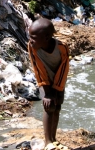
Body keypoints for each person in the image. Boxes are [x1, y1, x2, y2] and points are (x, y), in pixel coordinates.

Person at [28, 18, 70, 150]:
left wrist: (57, 89)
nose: (30, 40)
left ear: (46, 37)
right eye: (30, 37)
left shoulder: (62, 48)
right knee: (48, 105)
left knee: (57, 106)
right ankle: (47, 142)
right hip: (44, 79)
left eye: (33, 37)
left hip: (59, 80)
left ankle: (54, 138)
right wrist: (47, 92)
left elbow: (64, 69)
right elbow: (38, 68)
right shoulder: (33, 47)